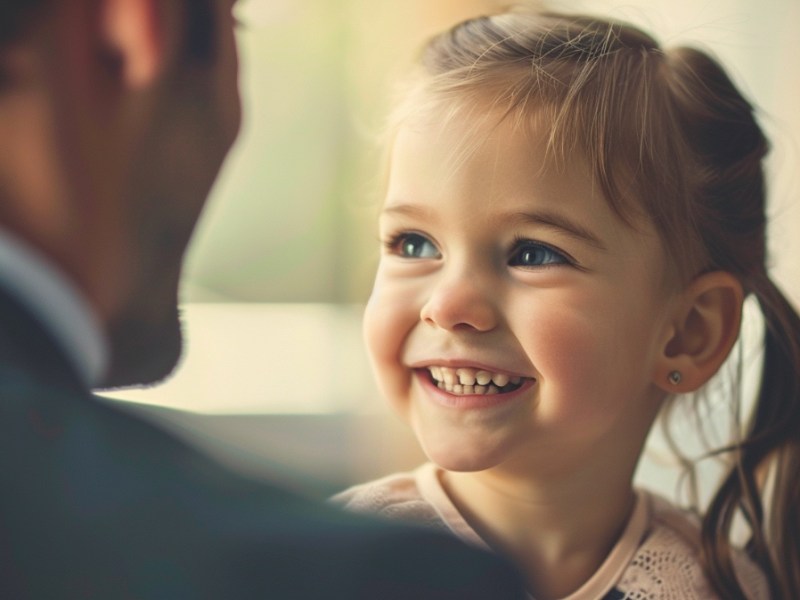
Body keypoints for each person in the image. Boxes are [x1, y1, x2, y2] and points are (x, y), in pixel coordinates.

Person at [0, 1, 529, 598]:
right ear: (132, 31)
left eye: (533, 253)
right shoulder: (363, 580)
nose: (452, 304)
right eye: (238, 25)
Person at [333, 6, 800, 600]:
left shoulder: (722, 590)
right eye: (414, 243)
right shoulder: (326, 570)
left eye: (532, 253)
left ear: (689, 332)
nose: (449, 305)